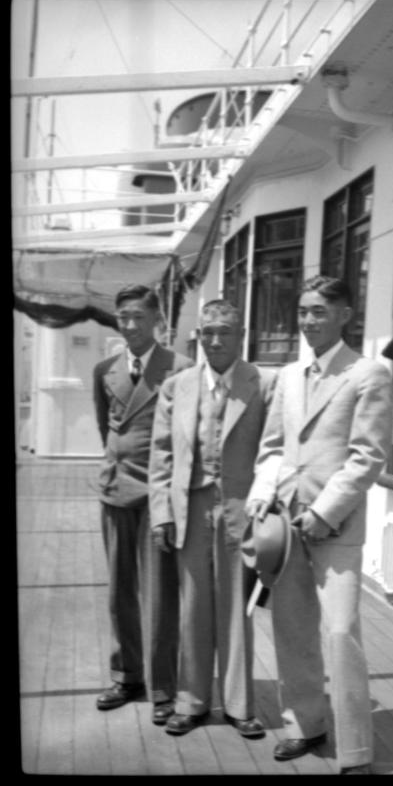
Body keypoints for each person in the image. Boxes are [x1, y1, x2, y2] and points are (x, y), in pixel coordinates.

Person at [246, 275, 393, 775]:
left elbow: (367, 457)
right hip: (286, 526)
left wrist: (324, 512)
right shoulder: (287, 376)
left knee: (340, 631)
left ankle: (355, 750)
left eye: (319, 311)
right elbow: (272, 449)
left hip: (336, 527)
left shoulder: (368, 374)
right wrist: (262, 498)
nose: (308, 320)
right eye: (304, 310)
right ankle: (304, 726)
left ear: (345, 315)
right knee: (292, 631)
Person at [149, 299, 276, 737]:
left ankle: (240, 706)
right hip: (191, 508)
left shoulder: (262, 384)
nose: (215, 340)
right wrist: (161, 514)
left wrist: (266, 507)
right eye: (208, 332)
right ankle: (192, 701)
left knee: (237, 611)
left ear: (240, 335)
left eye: (224, 331)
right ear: (198, 336)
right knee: (193, 609)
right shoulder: (177, 386)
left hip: (241, 512)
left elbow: (274, 452)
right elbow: (161, 455)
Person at [93, 284, 193, 725]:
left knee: (159, 598)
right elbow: (108, 430)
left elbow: (185, 440)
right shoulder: (105, 369)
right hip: (116, 491)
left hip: (159, 497)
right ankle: (126, 674)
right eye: (123, 317)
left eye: (138, 316)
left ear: (158, 322)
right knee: (120, 593)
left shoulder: (182, 369)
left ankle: (163, 687)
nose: (129, 325)